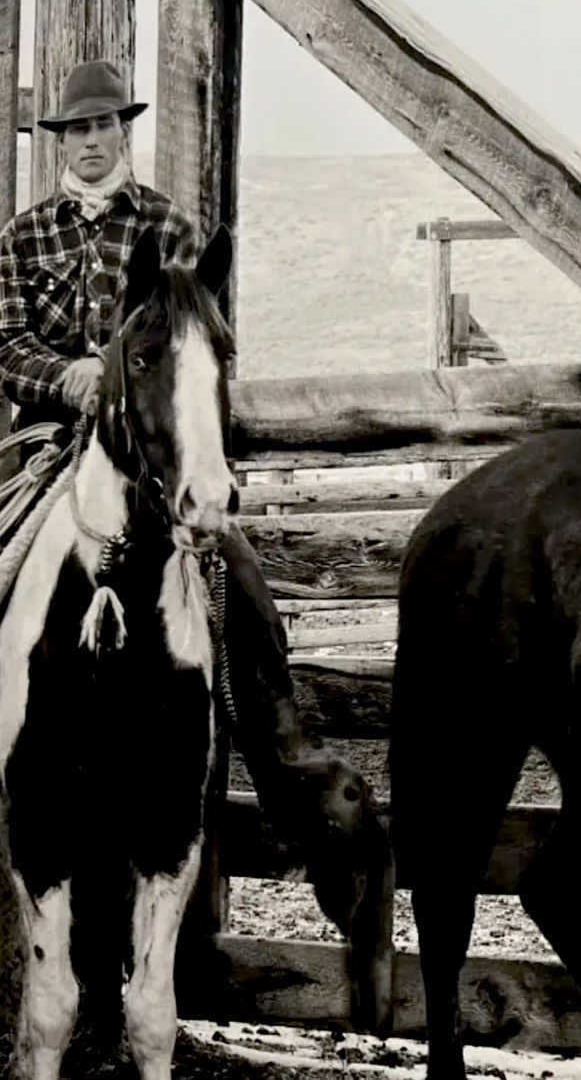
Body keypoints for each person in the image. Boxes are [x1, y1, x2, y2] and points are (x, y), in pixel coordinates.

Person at [0, 60, 390, 1022]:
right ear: (59, 141)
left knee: (241, 588)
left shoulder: (170, 228)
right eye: (77, 129)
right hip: (53, 441)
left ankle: (285, 759)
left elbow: (201, 346)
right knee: (5, 552)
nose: (93, 142)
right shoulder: (23, 235)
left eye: (106, 126)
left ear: (122, 132)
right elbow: (5, 344)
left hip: (159, 458)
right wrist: (75, 379)